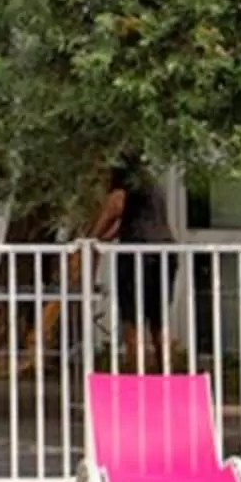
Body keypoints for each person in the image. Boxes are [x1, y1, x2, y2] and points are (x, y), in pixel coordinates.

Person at [106, 159, 174, 371]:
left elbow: (115, 206)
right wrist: (105, 238)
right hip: (164, 249)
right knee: (159, 318)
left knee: (131, 316)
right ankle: (166, 374)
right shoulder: (150, 181)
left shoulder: (123, 174)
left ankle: (136, 375)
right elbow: (131, 220)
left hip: (137, 252)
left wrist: (90, 237)